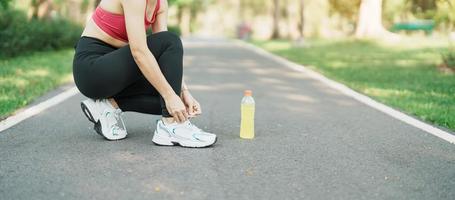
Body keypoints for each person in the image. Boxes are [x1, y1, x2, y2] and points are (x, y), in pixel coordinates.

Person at [72, 0, 217, 148]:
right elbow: (140, 52)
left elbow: (167, 59)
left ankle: (108, 106)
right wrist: (170, 96)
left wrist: (183, 92)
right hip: (92, 71)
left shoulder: (161, 4)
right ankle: (172, 126)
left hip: (118, 70)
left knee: (174, 97)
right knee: (171, 49)